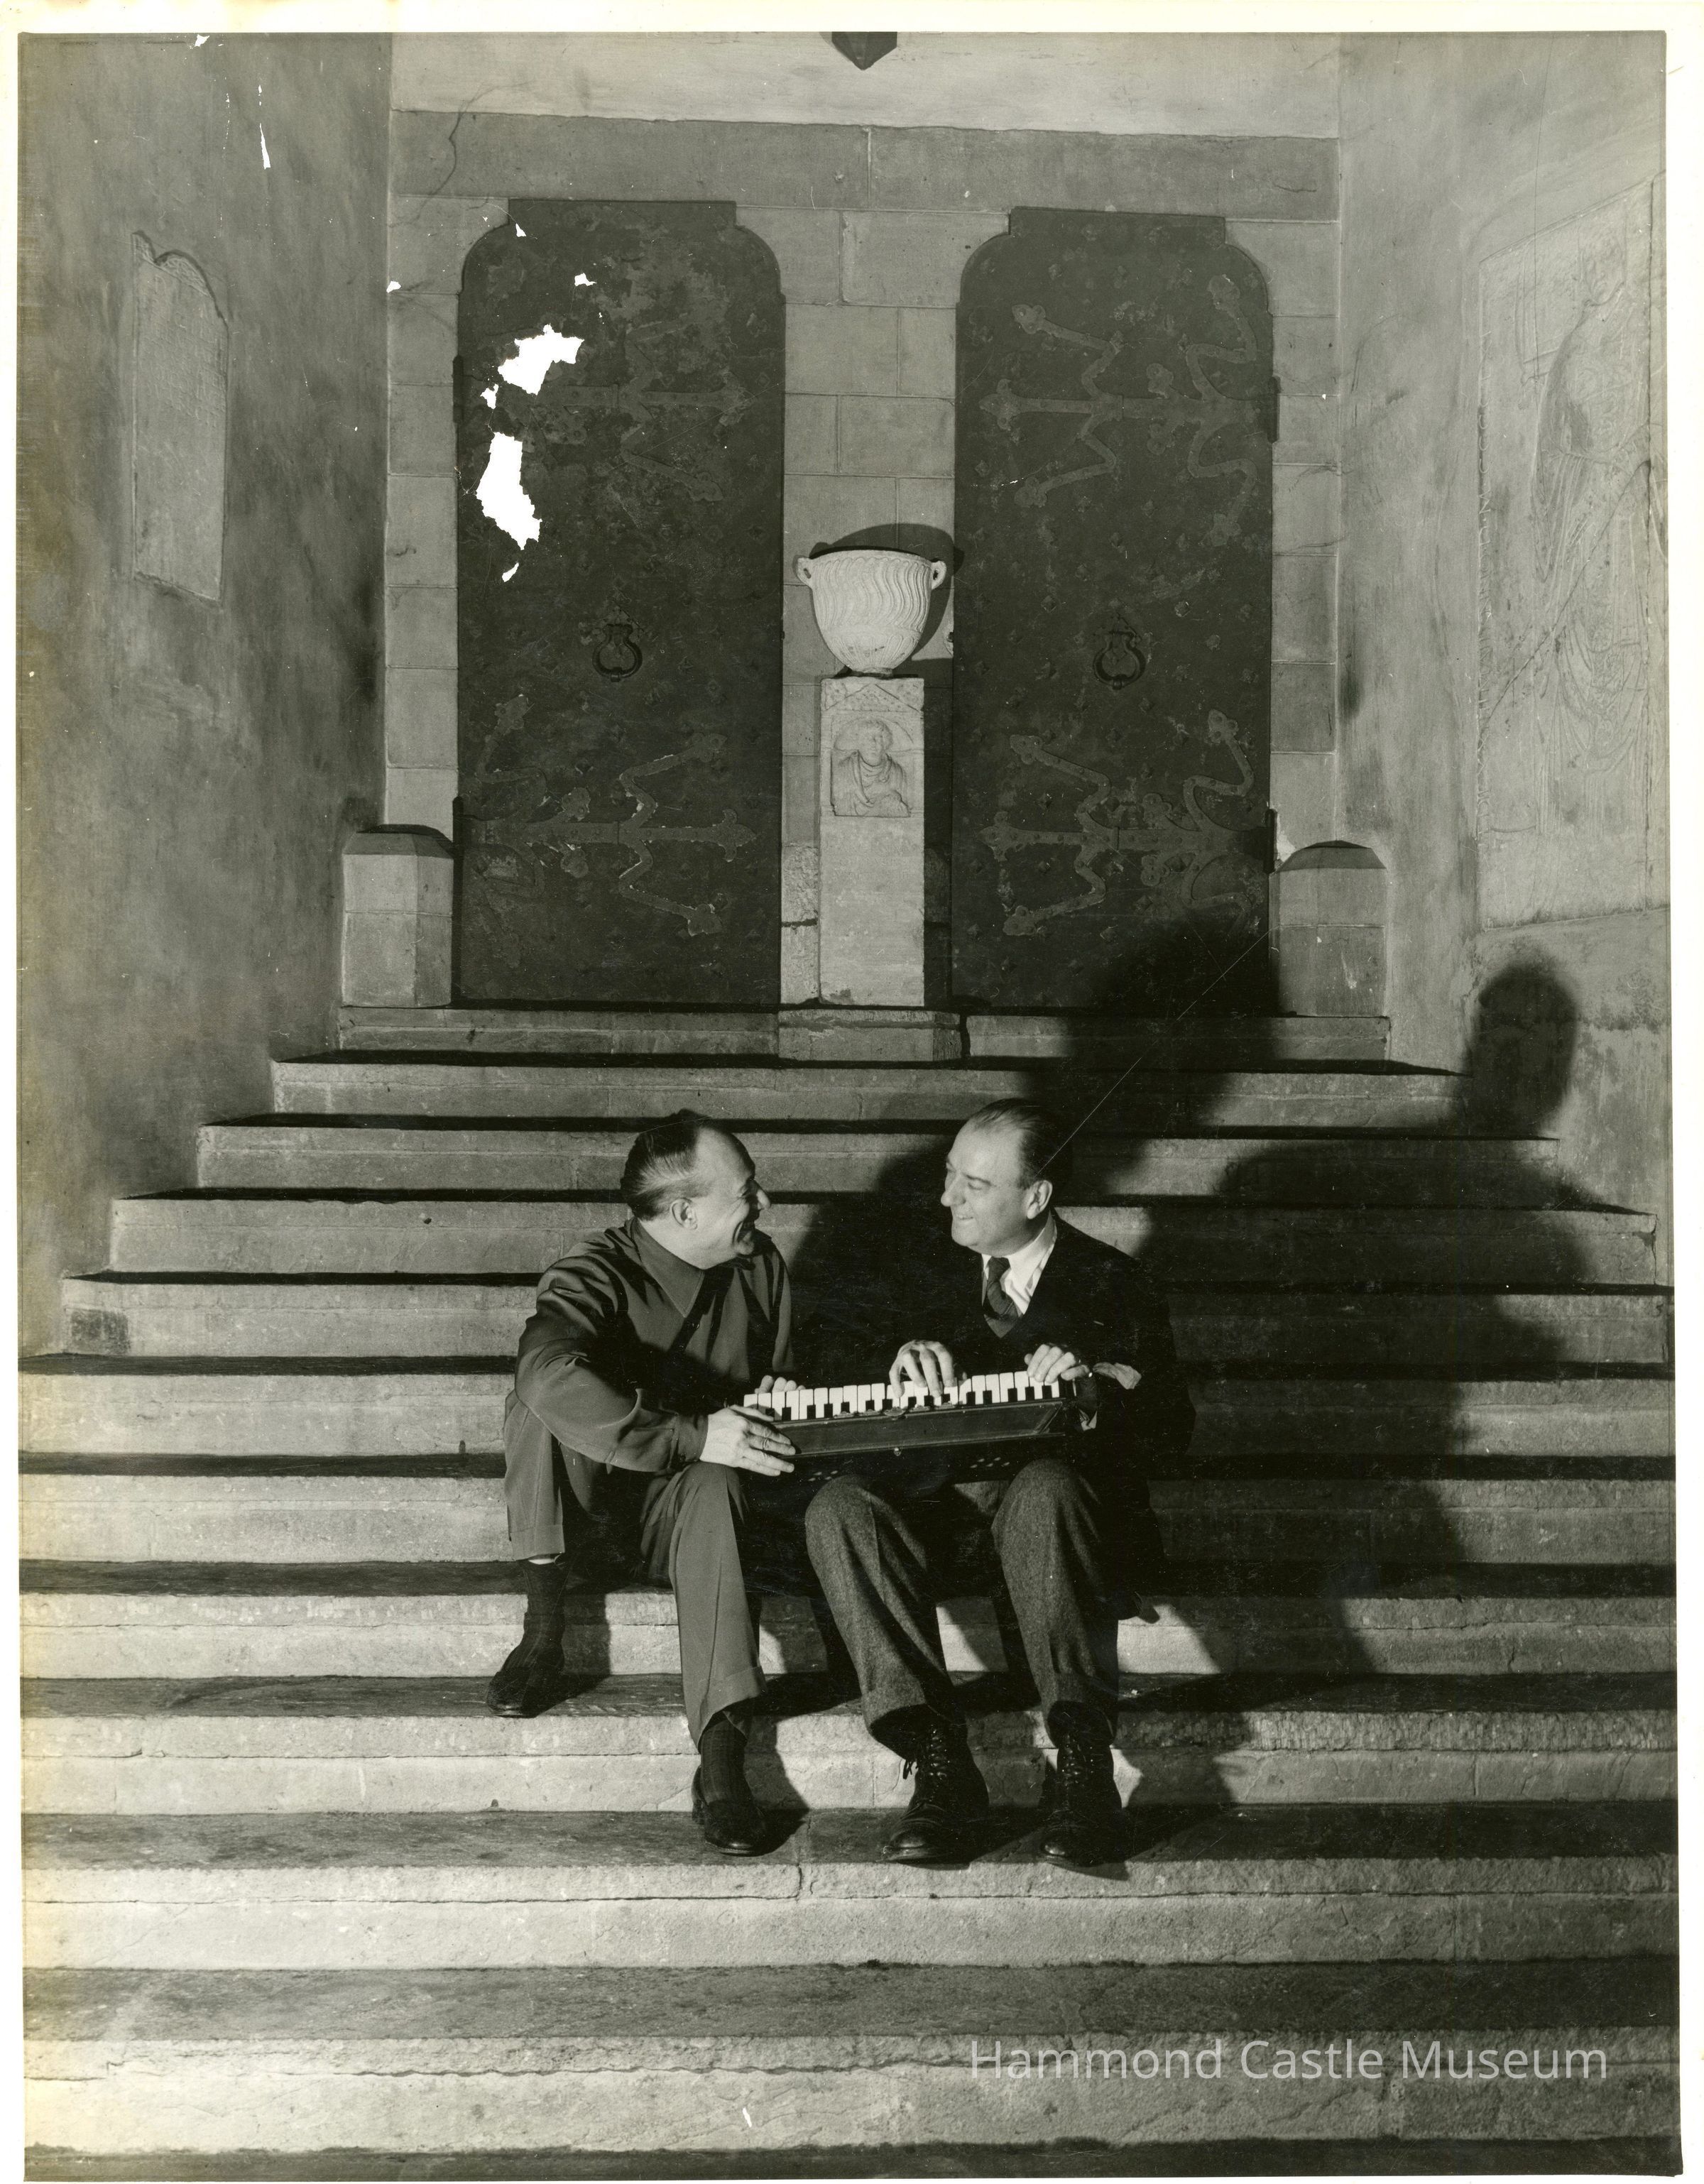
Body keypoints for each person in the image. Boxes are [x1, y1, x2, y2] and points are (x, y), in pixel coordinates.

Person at [803, 1098, 1194, 1868]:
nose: (947, 1196)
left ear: (1036, 1196)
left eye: (974, 1185)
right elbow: (823, 1358)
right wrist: (892, 1358)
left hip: (1055, 1536)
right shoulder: (913, 1266)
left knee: (1046, 1485)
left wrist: (1094, 1390)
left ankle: (1083, 1768)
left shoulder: (1114, 1281)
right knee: (836, 1507)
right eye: (950, 1174)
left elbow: (1170, 1431)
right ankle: (939, 1761)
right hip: (935, 1524)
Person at [487, 1110, 799, 1856]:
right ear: (685, 1212)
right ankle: (545, 1631)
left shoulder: (760, 1266)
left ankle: (721, 1757)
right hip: (597, 1518)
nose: (765, 1204)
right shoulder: (594, 1269)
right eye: (747, 1191)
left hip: (700, 1520)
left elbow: (787, 1382)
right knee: (537, 1399)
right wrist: (690, 1434)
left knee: (717, 1478)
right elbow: (545, 1370)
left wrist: (774, 1405)